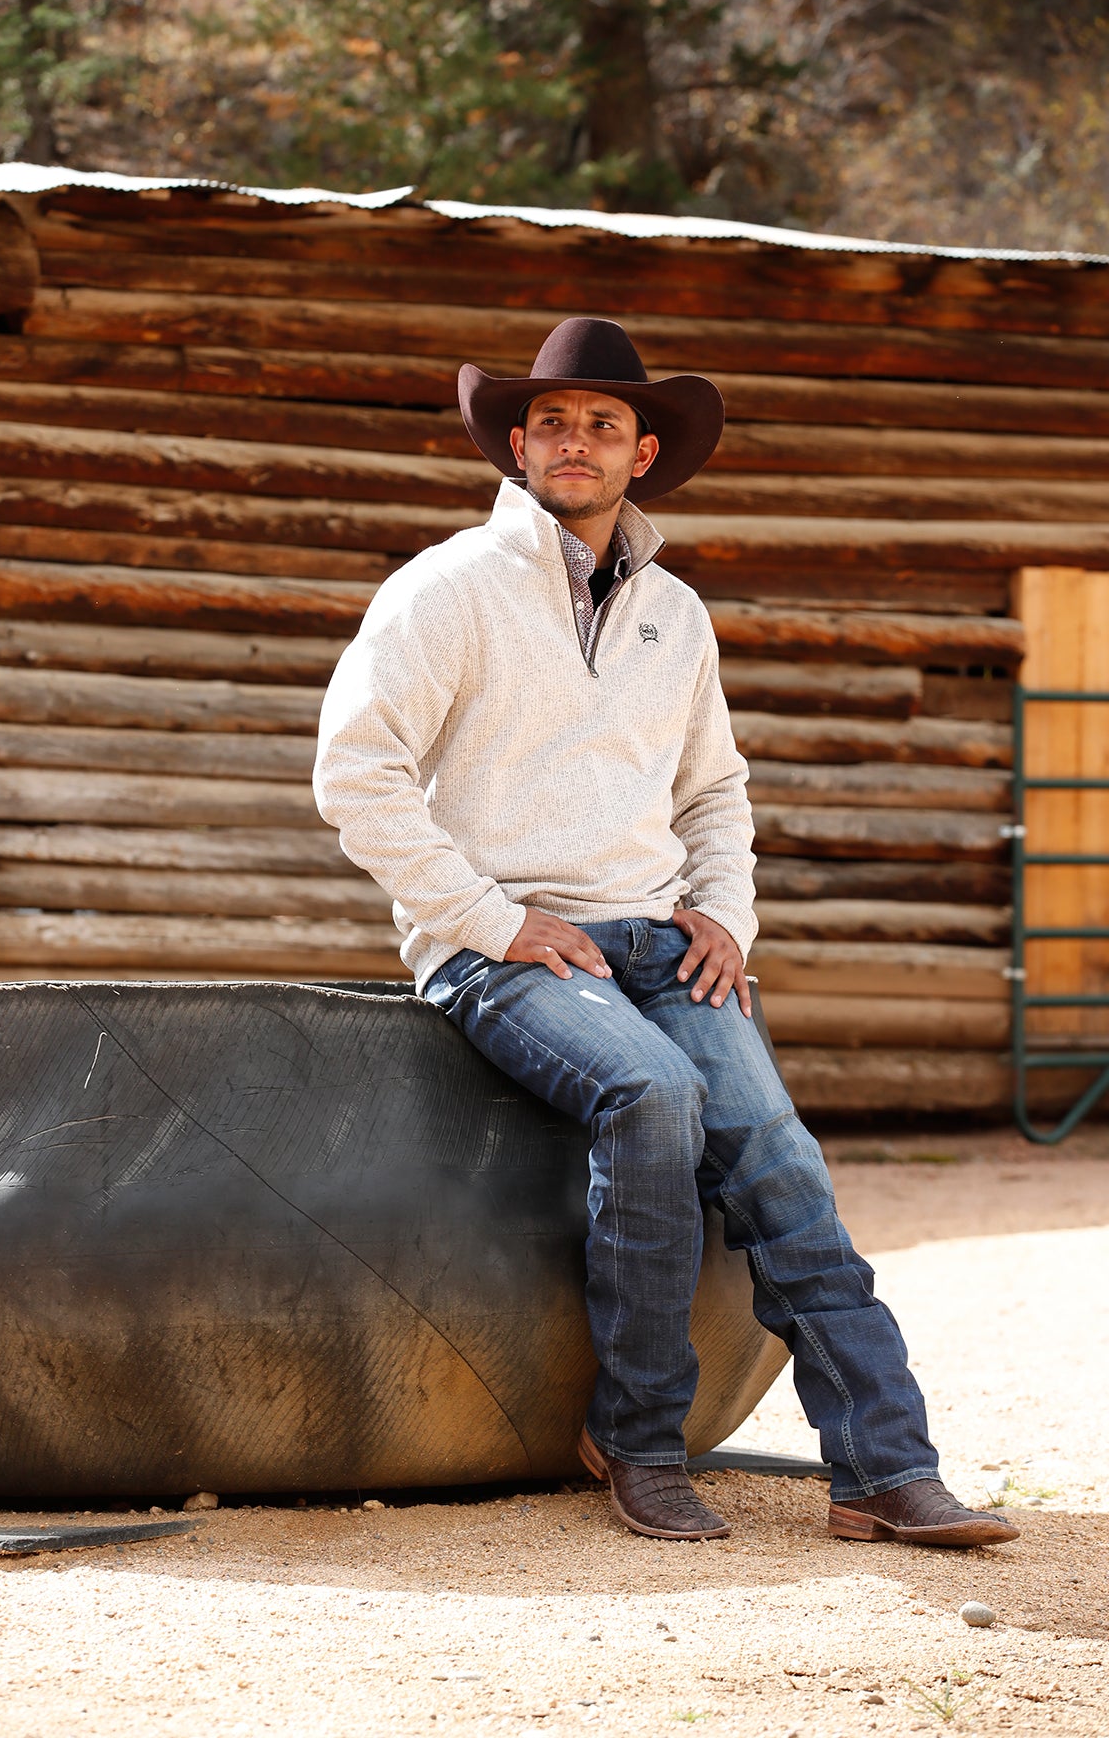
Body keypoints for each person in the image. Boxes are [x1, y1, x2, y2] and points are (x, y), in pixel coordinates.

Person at [313, 316, 1019, 1549]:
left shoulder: (675, 615)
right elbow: (354, 771)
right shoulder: (448, 590)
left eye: (601, 424)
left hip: (659, 940)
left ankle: (884, 1470)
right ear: (517, 444)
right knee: (649, 1096)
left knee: (782, 1157)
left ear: (642, 453)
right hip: (501, 947)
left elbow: (715, 792)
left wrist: (728, 914)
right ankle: (639, 1438)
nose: (572, 441)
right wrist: (490, 917)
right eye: (551, 422)